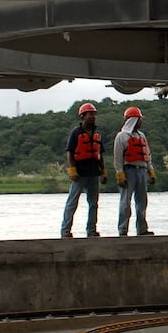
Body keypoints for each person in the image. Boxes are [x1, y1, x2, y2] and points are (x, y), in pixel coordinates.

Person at [59, 102, 107, 238]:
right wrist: (72, 169)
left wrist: (103, 171)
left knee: (93, 204)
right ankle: (65, 230)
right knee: (72, 202)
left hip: (93, 173)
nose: (93, 117)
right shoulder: (76, 133)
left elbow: (100, 154)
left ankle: (91, 230)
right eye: (90, 114)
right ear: (83, 116)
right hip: (79, 173)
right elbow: (70, 152)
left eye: (94, 114)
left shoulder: (97, 134)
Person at [114, 105, 156, 236]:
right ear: (133, 120)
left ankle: (142, 229)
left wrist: (151, 172)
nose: (141, 122)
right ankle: (123, 229)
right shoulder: (121, 136)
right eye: (139, 119)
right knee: (125, 202)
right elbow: (118, 159)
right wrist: (120, 175)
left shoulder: (141, 136)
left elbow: (147, 156)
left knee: (142, 201)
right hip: (128, 171)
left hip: (142, 171)